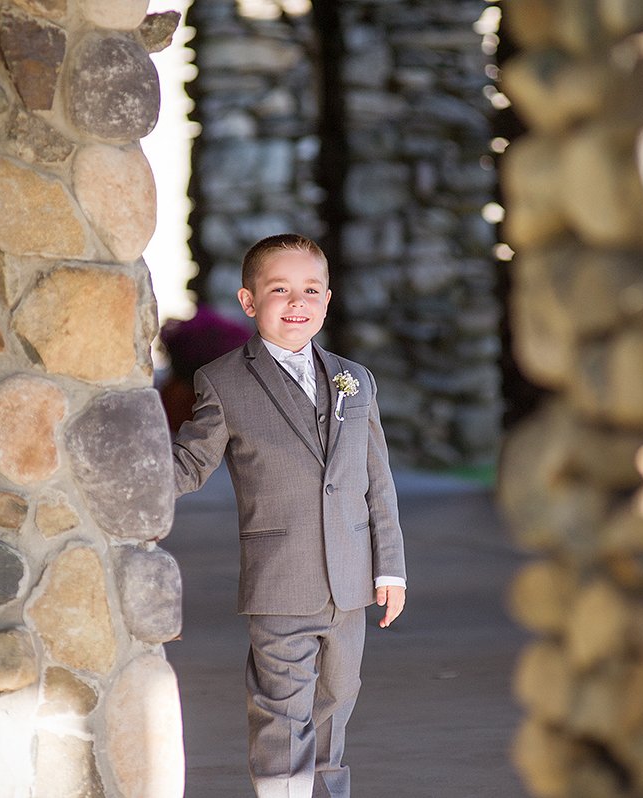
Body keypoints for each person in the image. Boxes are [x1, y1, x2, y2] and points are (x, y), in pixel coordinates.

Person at [171, 233, 407, 798]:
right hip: (280, 577)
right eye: (280, 290)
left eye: (309, 290)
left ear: (328, 299)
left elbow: (378, 482)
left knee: (336, 700)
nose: (296, 302)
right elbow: (188, 464)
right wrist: (129, 484)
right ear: (250, 302)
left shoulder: (356, 380)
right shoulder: (224, 382)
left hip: (349, 581)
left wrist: (389, 568)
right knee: (282, 707)